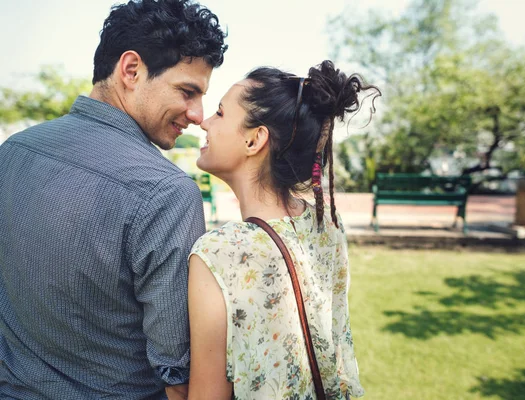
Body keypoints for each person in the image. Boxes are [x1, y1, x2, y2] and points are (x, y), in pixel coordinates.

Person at [0, 1, 227, 398]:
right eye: (187, 91)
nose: (197, 114)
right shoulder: (167, 193)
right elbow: (178, 373)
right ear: (131, 70)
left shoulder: (13, 152)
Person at [187, 60, 380, 399]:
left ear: (254, 140)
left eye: (219, 114)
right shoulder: (326, 224)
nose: (203, 122)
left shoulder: (219, 252)